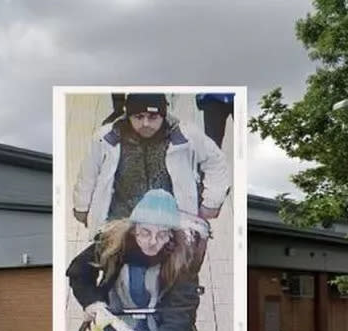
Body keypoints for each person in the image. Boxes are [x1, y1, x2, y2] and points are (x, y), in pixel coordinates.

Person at [72, 93, 231, 244]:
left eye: (153, 117)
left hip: (172, 222)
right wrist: (82, 206)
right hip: (121, 221)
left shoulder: (187, 135)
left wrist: (211, 202)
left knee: (177, 270)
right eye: (139, 117)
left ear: (163, 115)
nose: (145, 123)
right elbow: (88, 174)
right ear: (128, 115)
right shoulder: (105, 138)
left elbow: (216, 162)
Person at [67, 189, 201, 331]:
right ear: (133, 229)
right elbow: (79, 270)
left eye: (161, 235)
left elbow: (183, 305)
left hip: (161, 327)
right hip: (115, 325)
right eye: (145, 232)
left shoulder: (182, 257)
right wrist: (91, 301)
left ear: (171, 236)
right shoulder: (113, 243)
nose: (153, 242)